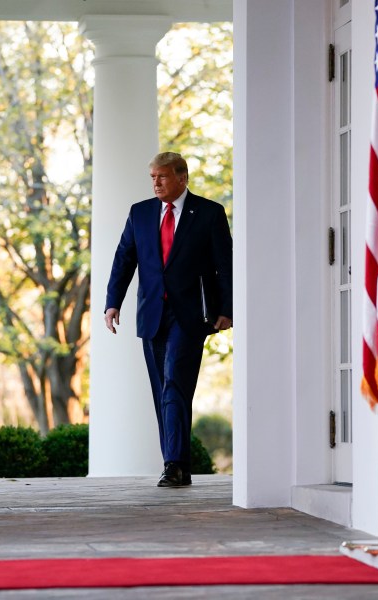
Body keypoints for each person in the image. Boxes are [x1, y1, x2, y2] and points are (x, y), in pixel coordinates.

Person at [104, 152, 233, 487]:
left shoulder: (209, 213)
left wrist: (227, 309)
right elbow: (124, 259)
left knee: (175, 381)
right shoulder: (140, 213)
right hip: (151, 315)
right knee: (164, 388)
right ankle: (179, 465)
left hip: (190, 315)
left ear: (182, 177)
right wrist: (112, 303)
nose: (156, 183)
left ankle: (173, 463)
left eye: (161, 176)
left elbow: (225, 265)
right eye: (152, 177)